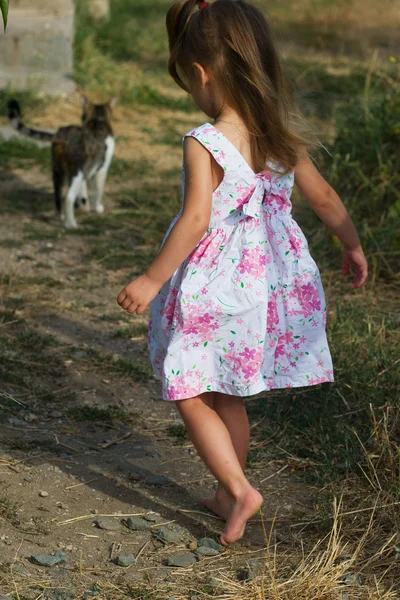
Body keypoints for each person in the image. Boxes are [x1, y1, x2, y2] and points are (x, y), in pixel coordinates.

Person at [117, 0, 368, 545]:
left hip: (214, 284)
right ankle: (228, 492)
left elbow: (197, 219)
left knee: (189, 387)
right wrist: (352, 245)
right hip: (265, 285)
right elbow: (323, 199)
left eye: (189, 81)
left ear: (203, 74)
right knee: (227, 391)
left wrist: (151, 280)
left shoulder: (203, 141)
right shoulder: (279, 134)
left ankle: (238, 486)